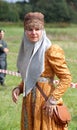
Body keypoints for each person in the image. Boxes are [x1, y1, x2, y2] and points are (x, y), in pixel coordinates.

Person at [12, 12, 72, 130]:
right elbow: (31, 76)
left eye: (37, 29)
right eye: (30, 29)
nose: (33, 32)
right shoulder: (27, 49)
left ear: (42, 30)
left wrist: (53, 100)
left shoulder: (51, 50)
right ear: (25, 31)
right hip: (29, 101)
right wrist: (19, 88)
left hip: (46, 102)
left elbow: (66, 78)